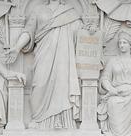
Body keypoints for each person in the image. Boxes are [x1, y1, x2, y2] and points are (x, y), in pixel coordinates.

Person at [6, 0, 82, 129]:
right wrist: (17, 47)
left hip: (63, 56)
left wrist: (90, 31)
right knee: (39, 84)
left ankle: (61, 120)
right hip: (43, 53)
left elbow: (79, 32)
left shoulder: (70, 11)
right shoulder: (38, 9)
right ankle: (38, 119)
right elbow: (28, 31)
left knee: (62, 84)